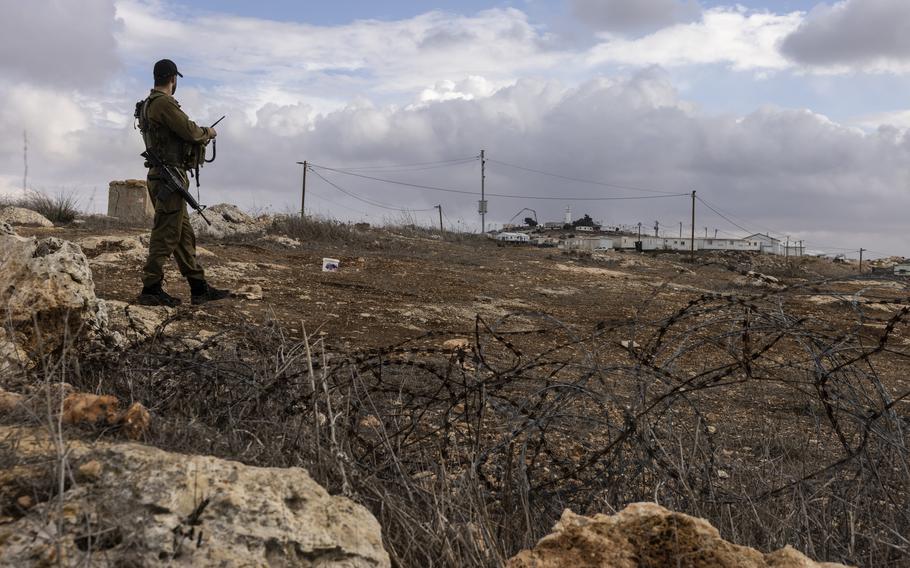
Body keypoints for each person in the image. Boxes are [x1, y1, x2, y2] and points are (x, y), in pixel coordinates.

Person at [137, 59, 230, 307]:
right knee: (166, 234)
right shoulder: (164, 103)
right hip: (169, 176)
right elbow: (189, 131)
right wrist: (208, 132)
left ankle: (199, 288)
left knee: (183, 236)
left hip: (164, 175)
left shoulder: (148, 104)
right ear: (173, 79)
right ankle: (151, 288)